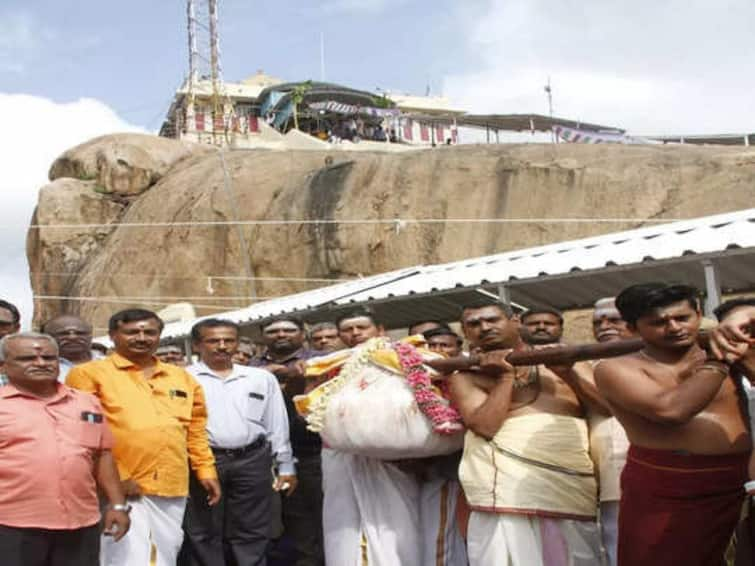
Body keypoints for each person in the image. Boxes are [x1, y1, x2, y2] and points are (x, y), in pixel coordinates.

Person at [594, 284, 751, 566]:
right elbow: (672, 411)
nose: (674, 327)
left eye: (683, 318)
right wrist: (719, 361)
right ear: (632, 327)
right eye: (659, 322)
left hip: (737, 484)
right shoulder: (614, 369)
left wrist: (738, 318)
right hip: (664, 491)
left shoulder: (727, 348)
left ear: (699, 314)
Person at [449, 303, 602, 566]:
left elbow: (608, 408)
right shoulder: (466, 375)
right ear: (465, 332)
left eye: (492, 320)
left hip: (570, 480)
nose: (484, 327)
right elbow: (485, 426)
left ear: (515, 321)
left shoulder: (561, 357)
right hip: (508, 487)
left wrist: (568, 373)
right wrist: (506, 379)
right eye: (474, 324)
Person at [67, 308, 220, 566]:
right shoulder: (89, 374)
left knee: (164, 553)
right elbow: (83, 432)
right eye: (132, 332)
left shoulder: (181, 377)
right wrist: (116, 479)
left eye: (149, 332)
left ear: (160, 335)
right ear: (114, 335)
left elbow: (195, 428)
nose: (141, 337)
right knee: (125, 557)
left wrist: (206, 470)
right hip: (119, 487)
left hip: (171, 483)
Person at [324, 308, 467, 566]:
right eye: (348, 329)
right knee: (364, 529)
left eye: (361, 327)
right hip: (362, 460)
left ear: (380, 331)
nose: (355, 333)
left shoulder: (421, 359)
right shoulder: (334, 364)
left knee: (421, 532)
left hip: (427, 463)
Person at [0, 332, 130, 566]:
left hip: (81, 522)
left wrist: (118, 505)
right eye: (27, 358)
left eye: (49, 358)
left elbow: (102, 455)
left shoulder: (85, 402)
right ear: (3, 366)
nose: (41, 363)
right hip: (13, 525)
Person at [182, 319, 296, 566]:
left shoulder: (260, 378)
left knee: (252, 527)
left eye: (229, 340)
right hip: (205, 460)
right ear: (198, 345)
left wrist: (286, 466)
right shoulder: (183, 378)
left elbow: (276, 423)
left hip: (252, 459)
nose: (222, 346)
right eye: (213, 341)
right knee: (203, 528)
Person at [252, 316, 323, 566]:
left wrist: (292, 375)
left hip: (313, 452)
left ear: (302, 333)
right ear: (262, 335)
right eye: (273, 331)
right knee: (275, 521)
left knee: (316, 517)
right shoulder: (249, 368)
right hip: (262, 457)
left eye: (289, 330)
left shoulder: (320, 361)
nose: (281, 334)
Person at [589, 297, 633, 566]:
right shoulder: (585, 364)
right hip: (606, 476)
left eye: (613, 320)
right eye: (598, 322)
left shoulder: (657, 359)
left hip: (658, 470)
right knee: (616, 547)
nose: (604, 326)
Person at [42, 314, 102, 381]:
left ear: (91, 336)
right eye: (63, 333)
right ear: (46, 338)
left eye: (80, 333)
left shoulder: (108, 364)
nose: (73, 337)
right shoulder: (39, 367)